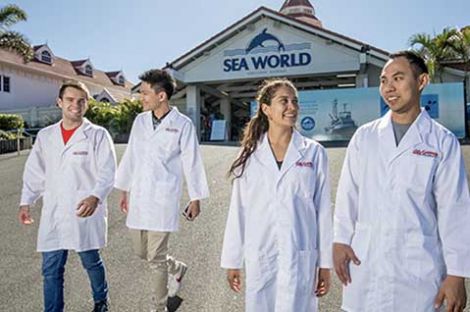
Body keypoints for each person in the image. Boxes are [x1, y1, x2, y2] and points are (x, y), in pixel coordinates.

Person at [333, 51, 470, 312]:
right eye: (384, 80)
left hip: (419, 272)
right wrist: (340, 240)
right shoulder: (365, 137)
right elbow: (348, 194)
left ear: (421, 82)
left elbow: (455, 210)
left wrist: (456, 274)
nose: (389, 87)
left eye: (398, 78)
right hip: (367, 265)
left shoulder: (441, 142)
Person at [221, 78, 332, 312]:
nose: (291, 107)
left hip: (300, 255)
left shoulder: (314, 153)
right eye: (284, 101)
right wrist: (232, 260)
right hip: (262, 254)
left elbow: (323, 212)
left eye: (295, 102)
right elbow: (238, 210)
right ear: (266, 109)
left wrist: (325, 264)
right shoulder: (250, 155)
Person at [115, 69, 209, 312]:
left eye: (145, 93)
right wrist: (123, 189)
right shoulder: (140, 121)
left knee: (155, 259)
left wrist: (195, 197)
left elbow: (192, 161)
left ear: (162, 96)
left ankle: (159, 306)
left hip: (163, 199)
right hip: (139, 195)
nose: (141, 97)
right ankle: (177, 268)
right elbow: (131, 155)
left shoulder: (182, 125)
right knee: (142, 252)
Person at [18, 80, 116, 312]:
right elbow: (35, 171)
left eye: (81, 101)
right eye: (70, 100)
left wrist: (95, 197)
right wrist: (26, 201)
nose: (76, 105)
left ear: (87, 105)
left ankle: (101, 300)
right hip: (54, 211)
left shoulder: (97, 135)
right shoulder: (46, 135)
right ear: (59, 102)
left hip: (84, 210)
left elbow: (108, 171)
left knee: (90, 261)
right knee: (51, 269)